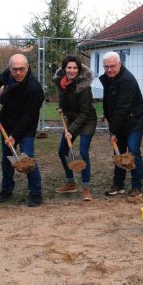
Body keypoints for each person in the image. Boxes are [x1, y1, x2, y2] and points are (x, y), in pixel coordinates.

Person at [0, 54, 45, 207]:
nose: (18, 73)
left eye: (21, 69)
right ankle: (6, 190)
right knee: (7, 160)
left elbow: (28, 116)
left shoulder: (35, 89)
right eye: (14, 69)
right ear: (9, 68)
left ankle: (35, 193)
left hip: (26, 128)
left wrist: (14, 136)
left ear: (28, 68)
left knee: (28, 160)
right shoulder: (7, 75)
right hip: (6, 124)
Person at [99, 51, 143, 197]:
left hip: (134, 120)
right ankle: (118, 184)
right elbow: (109, 101)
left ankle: (136, 186)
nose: (109, 70)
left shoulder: (127, 81)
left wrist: (113, 131)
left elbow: (122, 107)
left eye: (112, 66)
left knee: (132, 150)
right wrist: (107, 115)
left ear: (119, 64)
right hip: (119, 120)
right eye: (106, 67)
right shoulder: (109, 78)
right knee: (118, 151)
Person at [52, 55, 97, 201]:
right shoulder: (62, 82)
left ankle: (85, 188)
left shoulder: (84, 87)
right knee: (62, 151)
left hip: (87, 119)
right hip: (73, 119)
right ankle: (71, 183)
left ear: (79, 69)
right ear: (64, 69)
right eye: (69, 67)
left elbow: (85, 112)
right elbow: (63, 97)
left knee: (83, 152)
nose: (72, 70)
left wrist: (71, 131)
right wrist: (62, 108)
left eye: (75, 68)